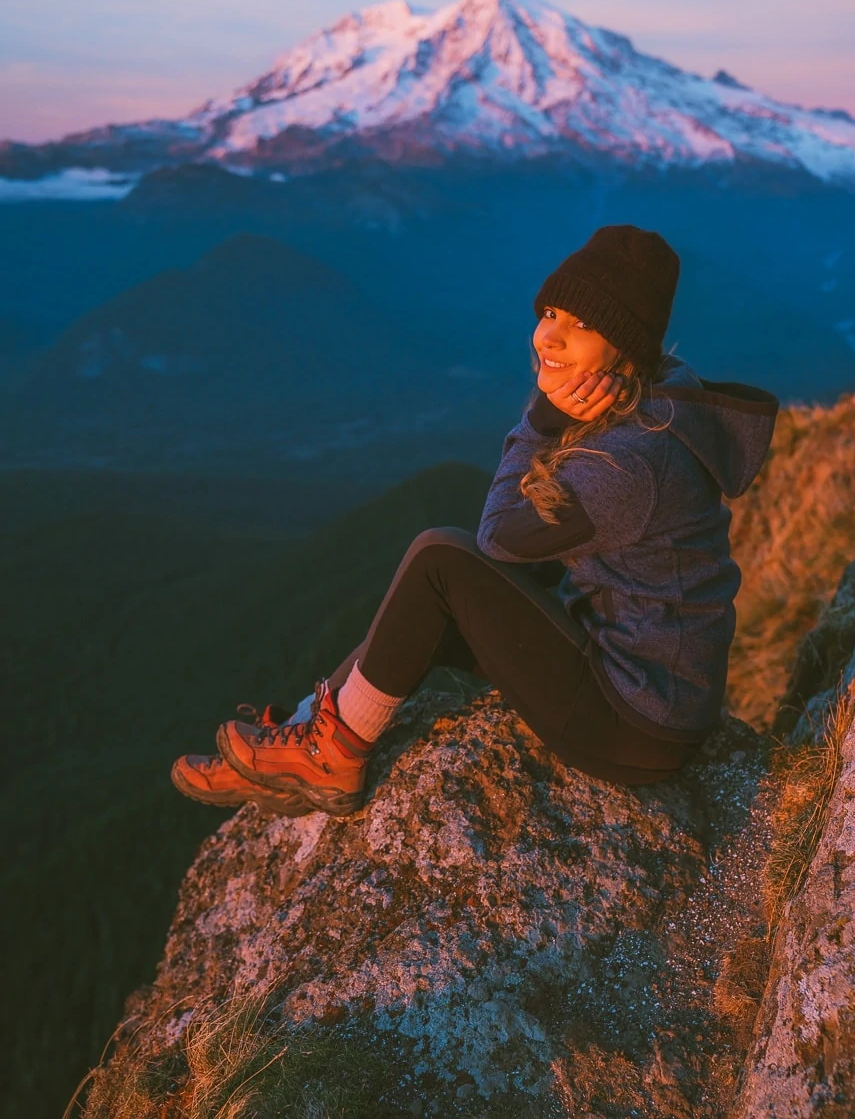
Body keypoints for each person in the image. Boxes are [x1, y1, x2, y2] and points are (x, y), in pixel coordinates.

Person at [171, 223, 779, 817]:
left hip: (634, 720)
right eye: (551, 315)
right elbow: (532, 559)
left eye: (583, 325)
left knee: (441, 560)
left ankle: (331, 750)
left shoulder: (634, 462)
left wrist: (542, 420)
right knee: (430, 607)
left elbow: (498, 540)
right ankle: (308, 737)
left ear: (625, 348)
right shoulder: (646, 402)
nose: (551, 338)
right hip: (640, 688)